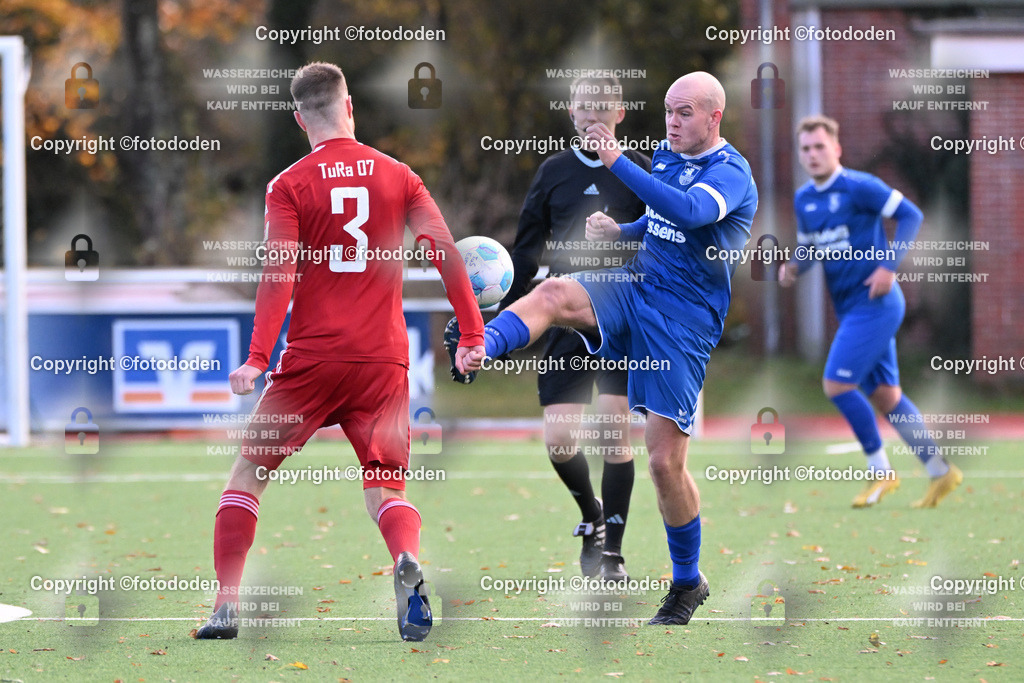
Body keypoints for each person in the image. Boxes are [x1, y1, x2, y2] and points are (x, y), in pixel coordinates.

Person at [446, 71, 757, 625]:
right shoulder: (667, 155)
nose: (672, 122)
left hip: (683, 321)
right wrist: (624, 233)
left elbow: (690, 213)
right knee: (555, 293)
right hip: (635, 287)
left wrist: (615, 161)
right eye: (668, 110)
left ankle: (688, 581)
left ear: (715, 117)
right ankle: (481, 342)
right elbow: (662, 223)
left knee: (663, 462)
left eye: (685, 112)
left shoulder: (731, 172)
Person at [195, 62, 485, 642]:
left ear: (300, 119)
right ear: (349, 106)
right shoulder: (400, 176)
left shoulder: (288, 185)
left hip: (313, 362)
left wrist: (257, 358)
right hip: (383, 363)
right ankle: (406, 560)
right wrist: (473, 336)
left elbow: (278, 275)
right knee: (386, 488)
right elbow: (445, 253)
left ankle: (226, 607)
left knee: (247, 476)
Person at [499, 75, 650, 581]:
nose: (592, 116)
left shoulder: (639, 171)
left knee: (613, 433)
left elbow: (663, 242)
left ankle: (614, 555)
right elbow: (525, 253)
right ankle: (592, 515)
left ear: (620, 113)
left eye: (603, 107)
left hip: (620, 319)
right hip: (565, 316)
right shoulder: (553, 171)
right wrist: (503, 316)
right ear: (571, 112)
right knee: (560, 441)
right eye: (584, 107)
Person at [780, 115, 962, 508]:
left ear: (836, 148)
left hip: (876, 305)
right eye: (805, 148)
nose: (812, 154)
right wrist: (794, 266)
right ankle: (940, 470)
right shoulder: (804, 199)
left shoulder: (860, 186)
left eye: (819, 146)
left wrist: (888, 266)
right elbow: (812, 247)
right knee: (886, 396)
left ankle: (881, 472)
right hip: (849, 309)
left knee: (837, 385)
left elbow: (912, 215)